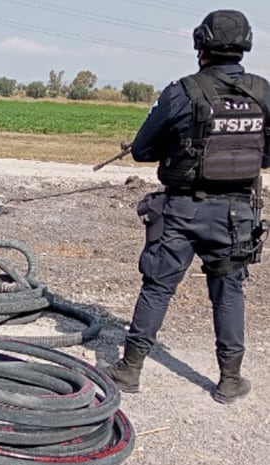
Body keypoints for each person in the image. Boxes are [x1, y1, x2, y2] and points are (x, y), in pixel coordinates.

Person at [105, 9, 270, 404]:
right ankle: (230, 379)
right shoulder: (263, 92)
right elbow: (266, 157)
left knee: (158, 286)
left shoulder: (182, 91)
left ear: (202, 45)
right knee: (229, 291)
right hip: (236, 214)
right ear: (244, 45)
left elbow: (143, 149)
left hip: (181, 210)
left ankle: (130, 369)